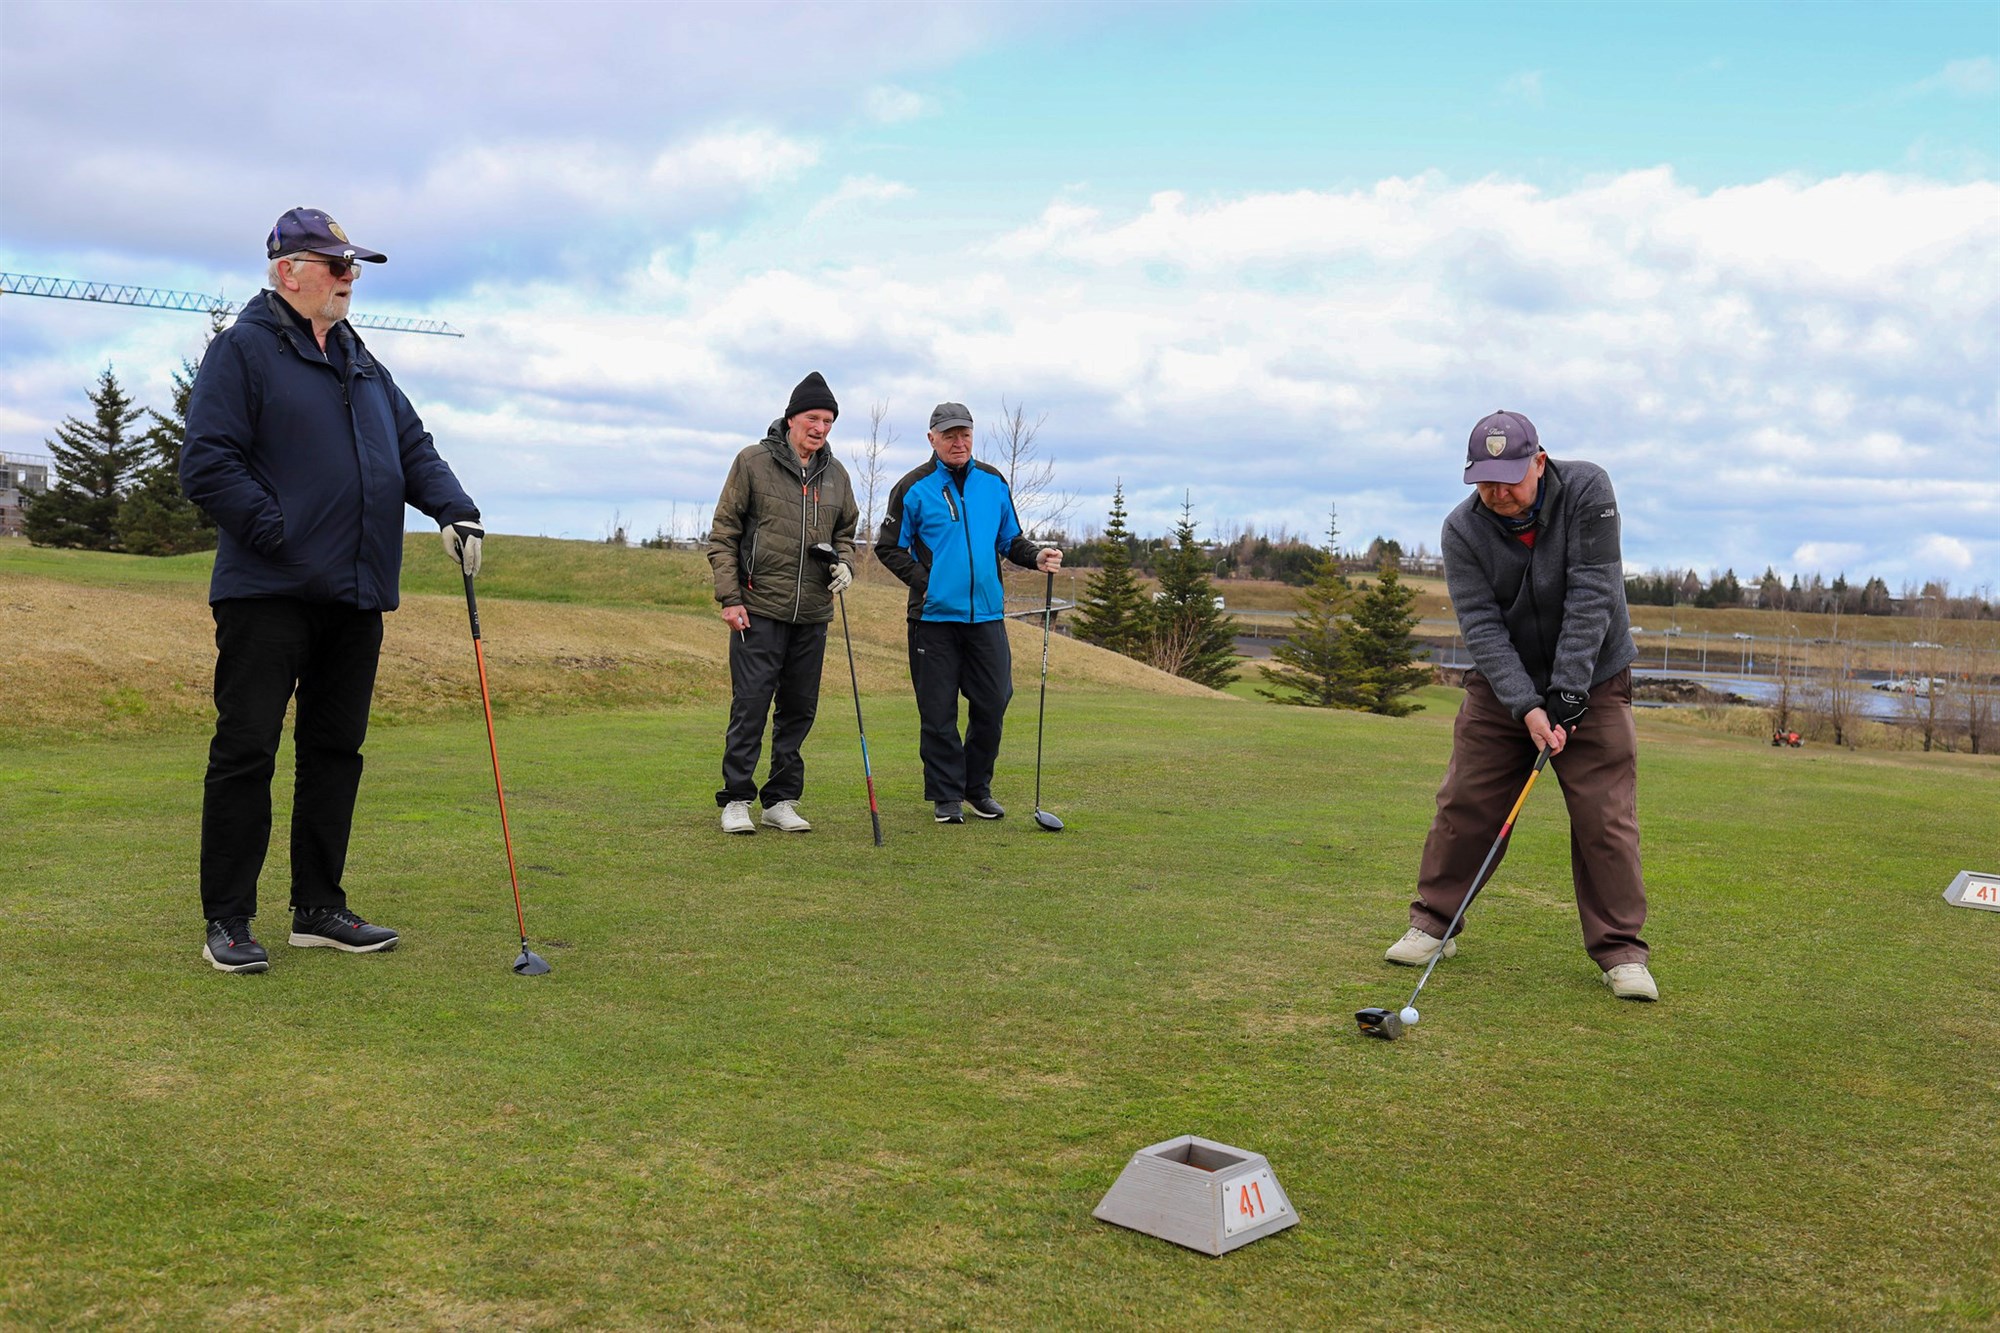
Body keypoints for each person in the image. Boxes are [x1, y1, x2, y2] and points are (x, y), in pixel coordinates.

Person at [181, 208, 484, 974]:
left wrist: (456, 510)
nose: (350, 279)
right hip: (268, 589)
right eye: (337, 265)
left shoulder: (361, 361)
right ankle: (229, 918)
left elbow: (413, 446)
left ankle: (317, 906)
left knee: (334, 751)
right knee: (247, 749)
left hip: (354, 593)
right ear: (289, 271)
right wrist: (281, 530)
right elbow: (207, 463)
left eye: (354, 268)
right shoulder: (242, 351)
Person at [1385, 410, 1658, 1001]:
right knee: (1467, 803)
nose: (1498, 492)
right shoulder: (1462, 531)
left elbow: (1595, 591)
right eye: (1484, 479)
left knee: (1604, 817)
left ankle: (1620, 952)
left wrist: (1567, 691)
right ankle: (1435, 922)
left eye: (1510, 476)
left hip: (1597, 678)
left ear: (1539, 462)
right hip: (1501, 685)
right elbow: (1480, 626)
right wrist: (1528, 706)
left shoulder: (1589, 490)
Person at [875, 402, 1062, 823]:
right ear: (932, 439)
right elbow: (888, 547)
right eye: (949, 435)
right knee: (938, 711)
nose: (958, 442)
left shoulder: (993, 482)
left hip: (987, 618)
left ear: (973, 436)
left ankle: (976, 788)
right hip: (933, 620)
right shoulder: (913, 487)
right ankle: (946, 796)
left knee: (994, 701)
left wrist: (1037, 557)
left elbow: (1009, 539)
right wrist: (930, 581)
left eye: (965, 434)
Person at [705, 372, 859, 835]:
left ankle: (781, 799)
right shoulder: (752, 462)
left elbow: (846, 534)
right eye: (814, 418)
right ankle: (736, 800)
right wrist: (730, 598)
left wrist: (846, 563)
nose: (821, 428)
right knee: (750, 705)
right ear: (792, 418)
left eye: (829, 421)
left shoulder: (837, 475)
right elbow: (724, 534)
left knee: (798, 709)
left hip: (812, 613)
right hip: (758, 607)